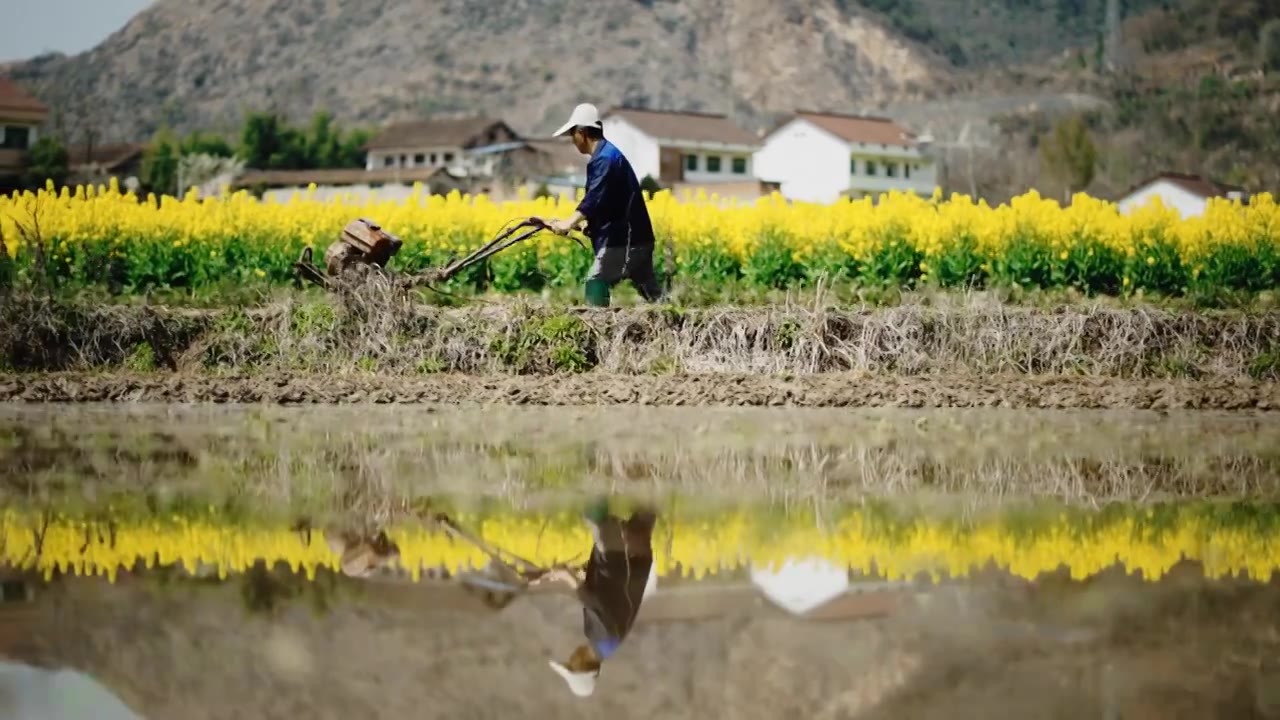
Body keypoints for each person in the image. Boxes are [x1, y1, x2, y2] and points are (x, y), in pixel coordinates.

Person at [539, 103, 665, 308]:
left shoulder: (606, 159)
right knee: (652, 294)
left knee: (596, 282)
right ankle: (677, 322)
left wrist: (568, 222)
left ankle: (598, 329)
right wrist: (588, 225)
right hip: (637, 238)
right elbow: (606, 201)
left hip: (622, 241)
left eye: (573, 134)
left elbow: (595, 196)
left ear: (582, 132)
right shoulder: (607, 155)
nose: (573, 140)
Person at [541, 497, 658, 698]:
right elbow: (592, 600)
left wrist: (574, 572)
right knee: (595, 508)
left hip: (634, 561)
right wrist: (565, 575)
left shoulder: (608, 645)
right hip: (616, 560)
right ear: (582, 666)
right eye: (571, 664)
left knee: (646, 506)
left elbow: (604, 594)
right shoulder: (601, 639)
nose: (571, 657)